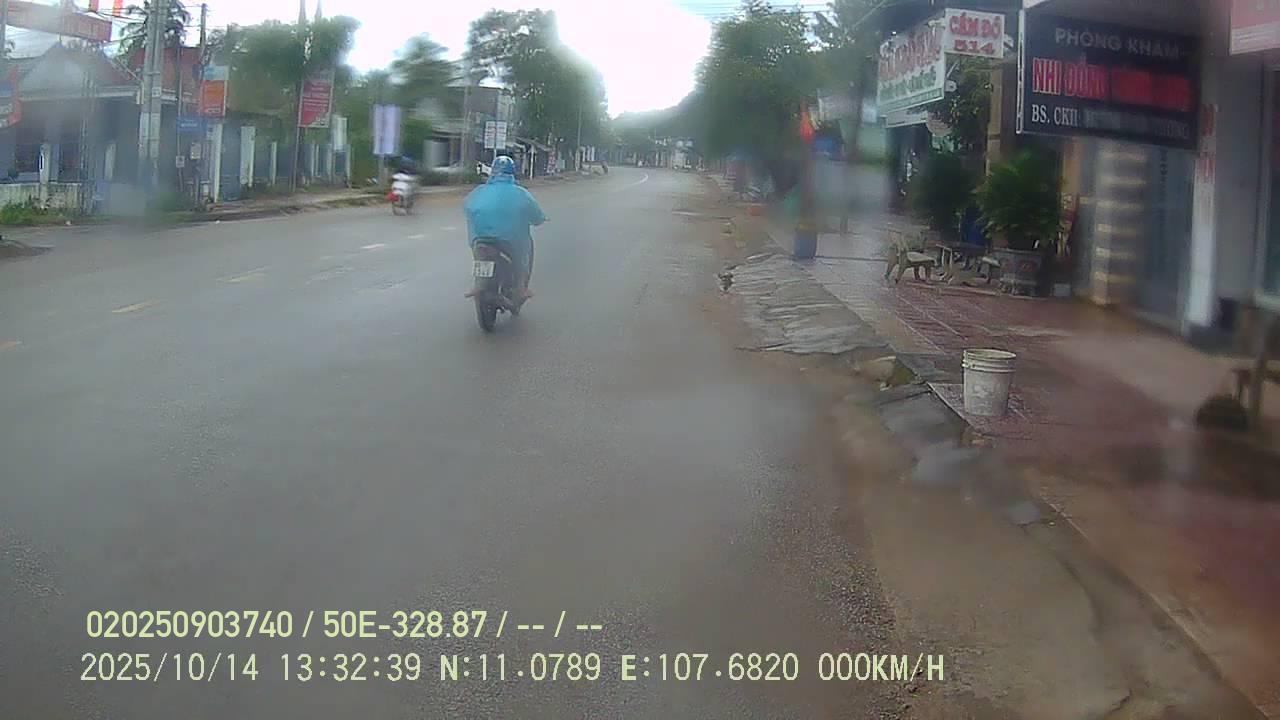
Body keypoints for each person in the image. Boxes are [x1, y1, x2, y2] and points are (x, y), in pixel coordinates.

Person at [463, 155, 545, 299]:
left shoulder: (479, 191)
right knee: (522, 253)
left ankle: (478, 284)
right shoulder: (520, 193)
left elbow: (467, 208)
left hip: (480, 240)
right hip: (509, 241)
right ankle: (521, 287)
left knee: (478, 255)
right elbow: (537, 216)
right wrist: (540, 219)